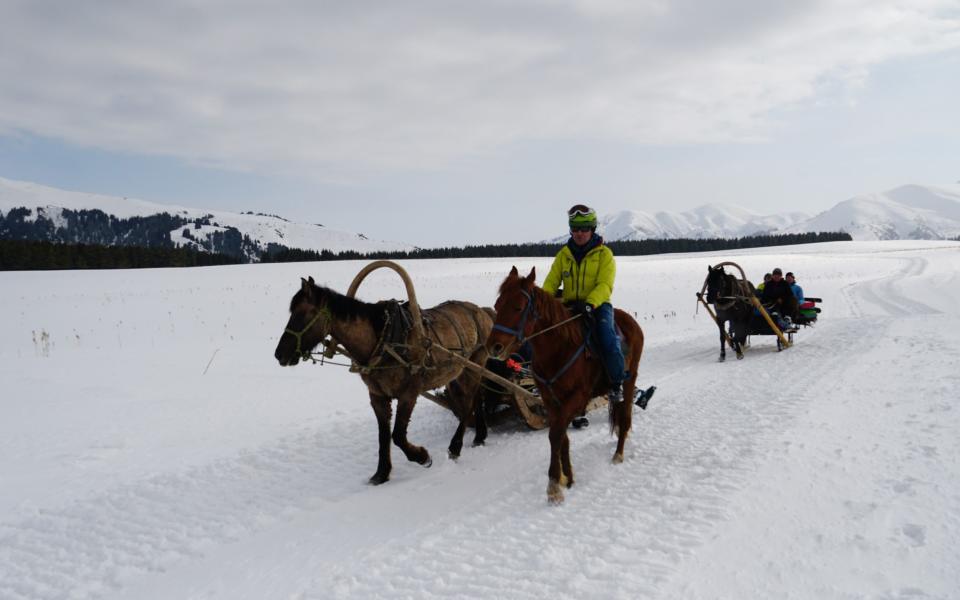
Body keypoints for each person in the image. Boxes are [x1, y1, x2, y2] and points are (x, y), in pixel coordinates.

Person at [542, 204, 626, 404]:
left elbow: (605, 284)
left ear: (592, 229)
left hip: (597, 306)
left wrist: (590, 303)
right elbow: (552, 282)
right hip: (569, 306)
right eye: (575, 229)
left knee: (607, 339)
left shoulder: (604, 254)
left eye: (584, 229)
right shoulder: (564, 254)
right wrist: (543, 302)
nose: (579, 233)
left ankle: (616, 384)